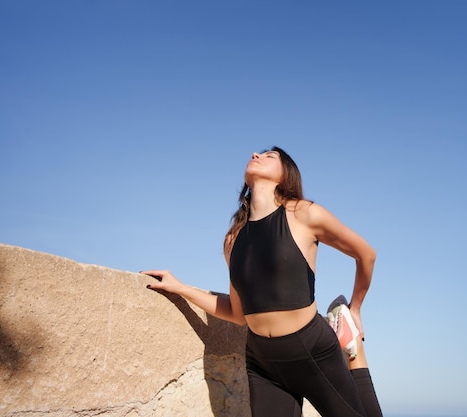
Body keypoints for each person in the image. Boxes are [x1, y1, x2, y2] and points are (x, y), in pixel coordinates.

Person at [142, 146, 382, 417]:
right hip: (262, 362)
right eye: (257, 154)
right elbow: (236, 313)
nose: (256, 155)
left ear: (284, 176)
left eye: (270, 156)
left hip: (312, 350)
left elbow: (366, 254)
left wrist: (356, 308)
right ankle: (353, 350)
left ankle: (355, 352)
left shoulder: (304, 214)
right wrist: (181, 288)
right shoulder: (233, 240)